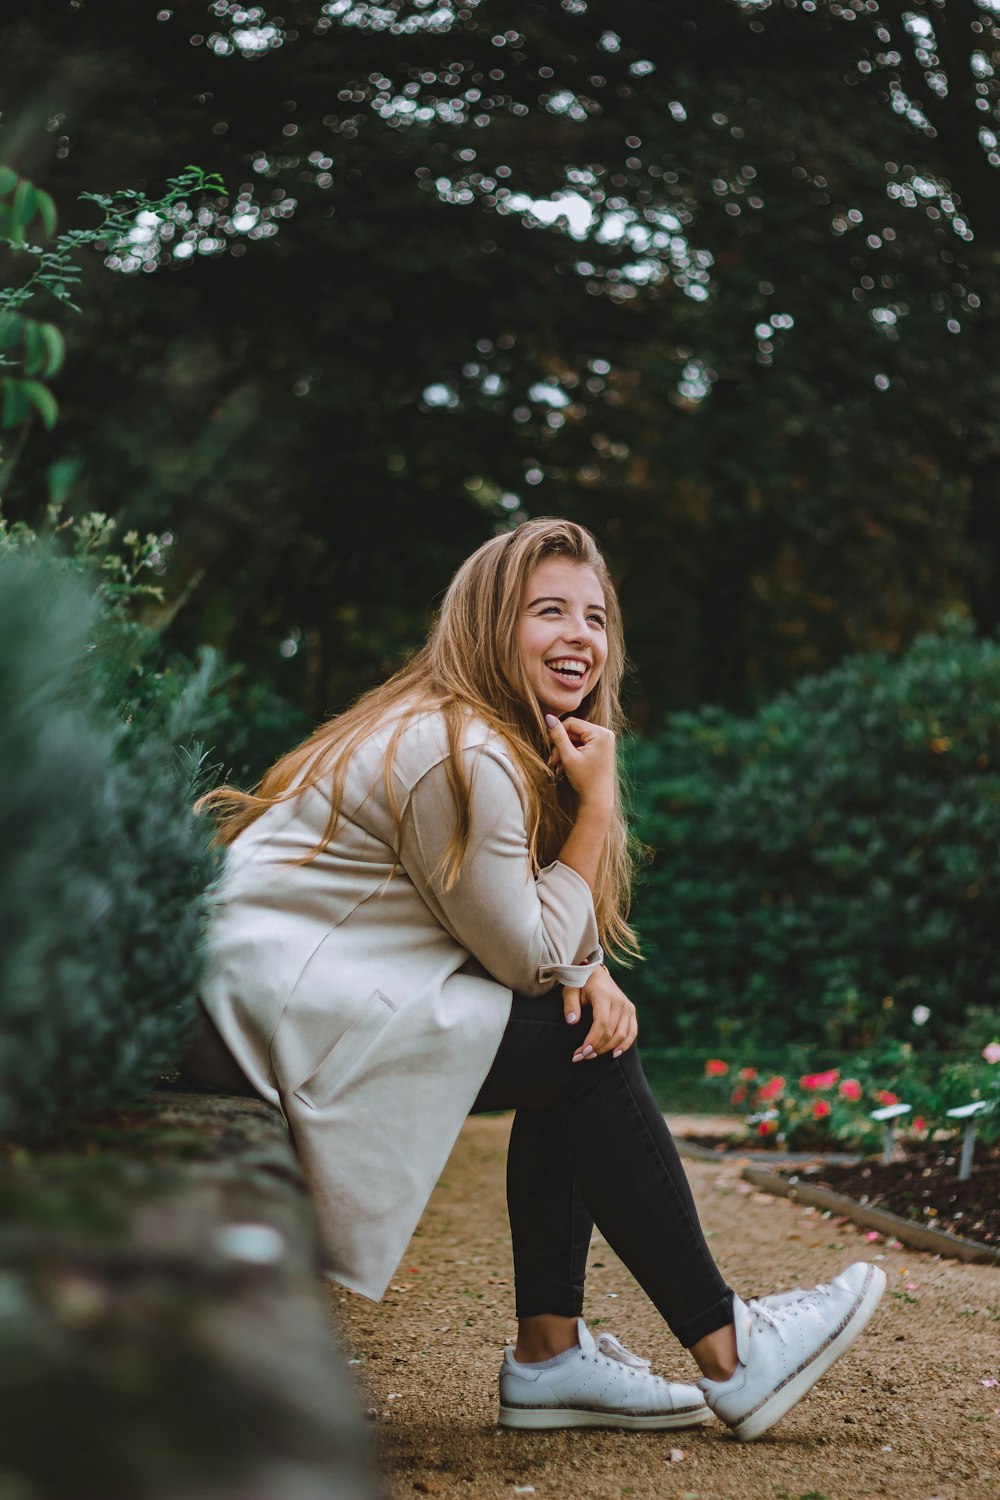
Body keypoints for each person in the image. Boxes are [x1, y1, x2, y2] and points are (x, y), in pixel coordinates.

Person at [188, 518, 885, 1442]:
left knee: (573, 1031)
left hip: (268, 997)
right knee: (580, 1043)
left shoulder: (463, 733)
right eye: (548, 610)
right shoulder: (463, 751)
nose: (580, 637)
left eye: (595, 617)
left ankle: (554, 1360)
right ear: (488, 624)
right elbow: (522, 957)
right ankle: (731, 1349)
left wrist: (584, 967)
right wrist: (596, 806)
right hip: (262, 1012)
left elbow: (513, 935)